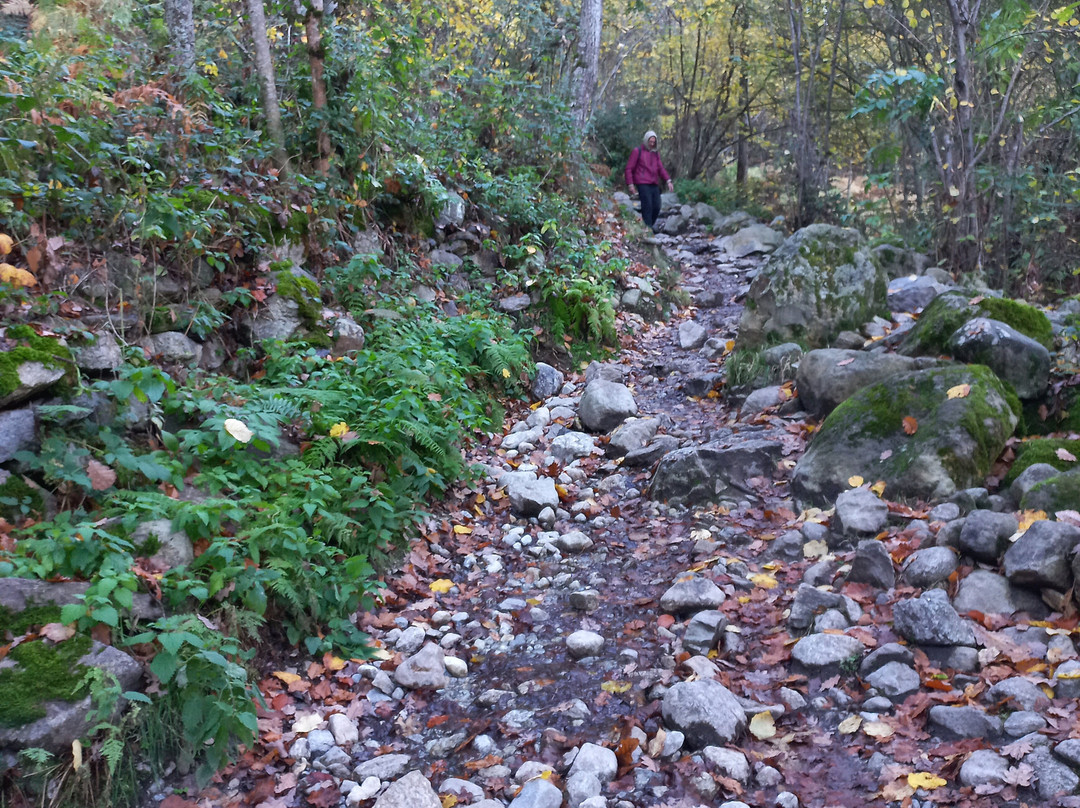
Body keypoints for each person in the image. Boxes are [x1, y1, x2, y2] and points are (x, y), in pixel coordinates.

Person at [624, 130, 674, 232]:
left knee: (657, 206)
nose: (651, 144)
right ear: (646, 140)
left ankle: (649, 226)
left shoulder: (655, 154)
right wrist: (630, 184)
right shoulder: (637, 151)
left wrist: (668, 180)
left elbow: (660, 168)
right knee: (647, 206)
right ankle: (648, 230)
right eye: (650, 141)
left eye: (653, 142)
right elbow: (629, 168)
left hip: (653, 183)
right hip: (642, 183)